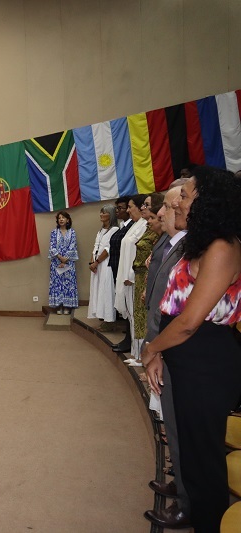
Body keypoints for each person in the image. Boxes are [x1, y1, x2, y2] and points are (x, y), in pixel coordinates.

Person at [142, 167, 241, 532]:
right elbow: (173, 309)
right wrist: (163, 354)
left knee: (203, 460)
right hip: (185, 356)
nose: (178, 201)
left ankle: (207, 523)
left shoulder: (222, 248)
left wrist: (152, 348)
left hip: (205, 362)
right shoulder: (202, 241)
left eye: (185, 195)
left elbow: (189, 321)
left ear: (207, 202)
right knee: (191, 451)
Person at [142, 180, 190, 530]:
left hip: (181, 350)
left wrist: (155, 346)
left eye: (174, 205)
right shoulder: (174, 242)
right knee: (173, 425)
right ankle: (182, 486)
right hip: (166, 345)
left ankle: (189, 503)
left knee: (183, 427)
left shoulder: (196, 247)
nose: (163, 212)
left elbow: (184, 312)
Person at [124, 193, 163, 366]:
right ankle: (138, 353)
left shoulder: (158, 230)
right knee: (138, 316)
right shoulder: (147, 227)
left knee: (145, 316)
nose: (142, 208)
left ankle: (144, 355)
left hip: (147, 276)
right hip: (140, 275)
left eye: (146, 205)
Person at [114, 194, 148, 358]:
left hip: (134, 278)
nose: (128, 210)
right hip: (125, 276)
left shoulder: (144, 226)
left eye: (130, 206)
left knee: (138, 317)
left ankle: (141, 354)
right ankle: (135, 353)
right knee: (132, 316)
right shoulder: (135, 225)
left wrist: (131, 274)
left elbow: (142, 253)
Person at [87, 205, 119, 324]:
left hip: (105, 264)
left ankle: (109, 318)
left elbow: (108, 249)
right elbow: (96, 247)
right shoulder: (101, 230)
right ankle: (100, 314)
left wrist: (97, 262)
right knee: (97, 290)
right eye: (101, 212)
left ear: (110, 215)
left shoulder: (114, 230)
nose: (101, 215)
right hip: (97, 265)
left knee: (106, 290)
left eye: (104, 213)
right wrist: (92, 262)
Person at [48, 211, 78, 314]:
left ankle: (67, 306)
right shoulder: (54, 232)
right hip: (56, 262)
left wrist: (65, 260)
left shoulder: (72, 232)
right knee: (58, 284)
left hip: (68, 262)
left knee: (68, 284)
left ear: (68, 220)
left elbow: (73, 246)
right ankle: (59, 306)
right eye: (59, 218)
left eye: (63, 217)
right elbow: (52, 247)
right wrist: (60, 258)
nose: (61, 219)